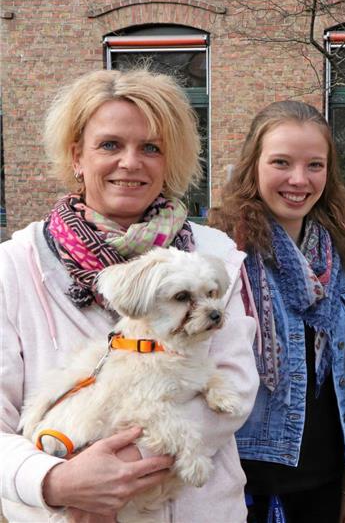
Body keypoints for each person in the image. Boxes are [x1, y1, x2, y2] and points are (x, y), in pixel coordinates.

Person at [0, 68, 259, 522]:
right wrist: (53, 482)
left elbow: (234, 387)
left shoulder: (215, 256)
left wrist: (126, 465)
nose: (131, 162)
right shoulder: (15, 266)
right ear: (77, 155)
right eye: (110, 145)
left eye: (151, 148)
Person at [208, 100, 345, 523]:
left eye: (315, 165)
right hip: (242, 484)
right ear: (252, 165)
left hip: (324, 481)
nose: (299, 179)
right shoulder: (221, 254)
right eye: (281, 162)